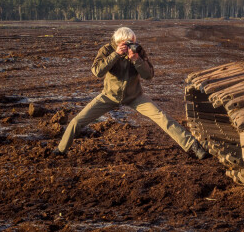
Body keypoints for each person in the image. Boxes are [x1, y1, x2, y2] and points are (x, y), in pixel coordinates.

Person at [54, 26, 208, 159]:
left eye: (134, 42)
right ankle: (60, 150)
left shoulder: (138, 51)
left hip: (135, 96)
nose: (132, 45)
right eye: (128, 43)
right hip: (109, 96)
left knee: (162, 118)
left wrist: (136, 59)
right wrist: (115, 54)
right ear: (119, 42)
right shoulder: (107, 50)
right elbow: (97, 72)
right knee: (77, 121)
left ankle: (193, 147)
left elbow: (149, 75)